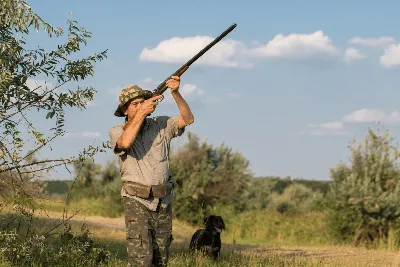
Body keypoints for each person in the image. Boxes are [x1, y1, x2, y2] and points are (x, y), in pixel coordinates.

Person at [109, 76, 194, 267]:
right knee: (141, 261)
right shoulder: (118, 130)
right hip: (136, 201)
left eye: (142, 102)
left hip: (163, 202)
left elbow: (188, 119)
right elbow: (125, 143)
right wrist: (142, 112)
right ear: (125, 110)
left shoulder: (160, 124)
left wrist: (175, 93)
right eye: (135, 104)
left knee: (160, 261)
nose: (140, 106)